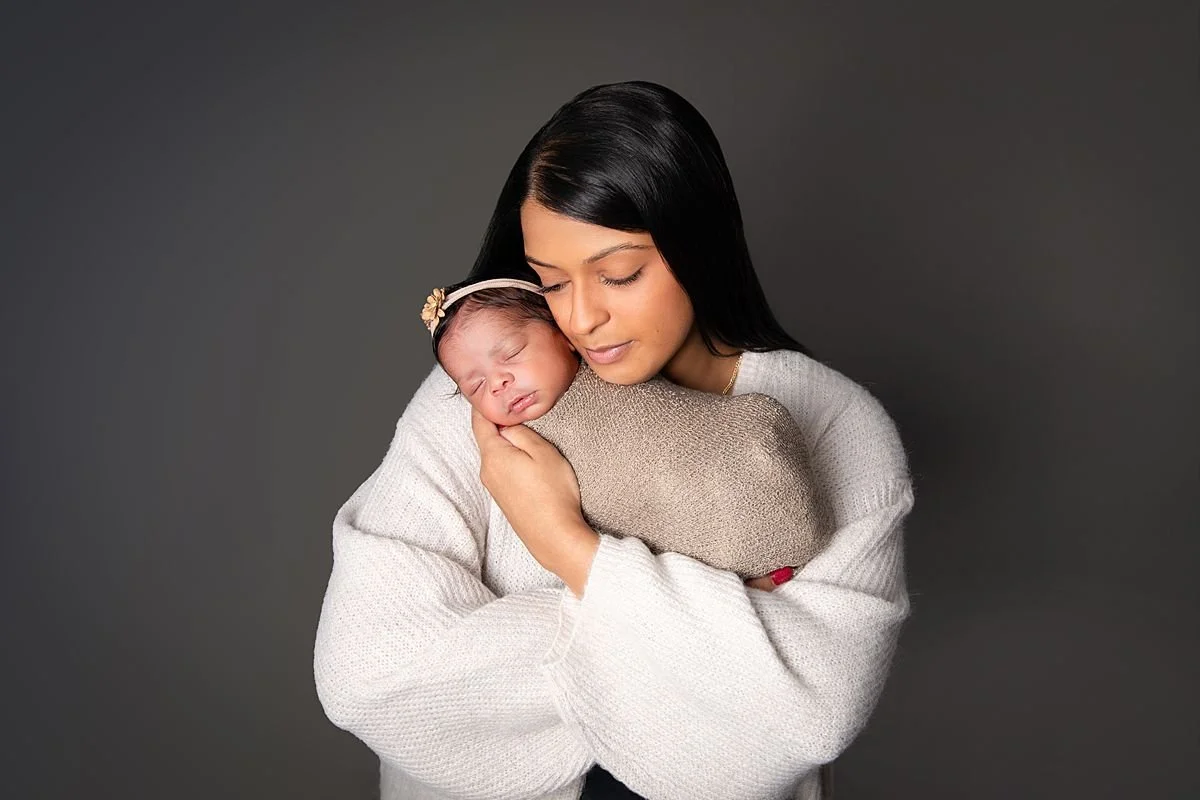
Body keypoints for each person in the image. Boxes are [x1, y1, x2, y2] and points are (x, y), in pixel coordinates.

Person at [314, 80, 913, 800]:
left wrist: (567, 547)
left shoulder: (837, 425)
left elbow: (807, 721)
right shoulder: (489, 399)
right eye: (550, 283)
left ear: (698, 246)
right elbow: (367, 676)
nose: (581, 319)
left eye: (619, 275)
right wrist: (714, 636)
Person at [424, 278, 830, 580]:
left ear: (563, 334)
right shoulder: (508, 449)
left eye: (512, 353)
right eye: (474, 386)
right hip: (704, 550)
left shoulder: (611, 358)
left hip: (742, 443)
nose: (497, 383)